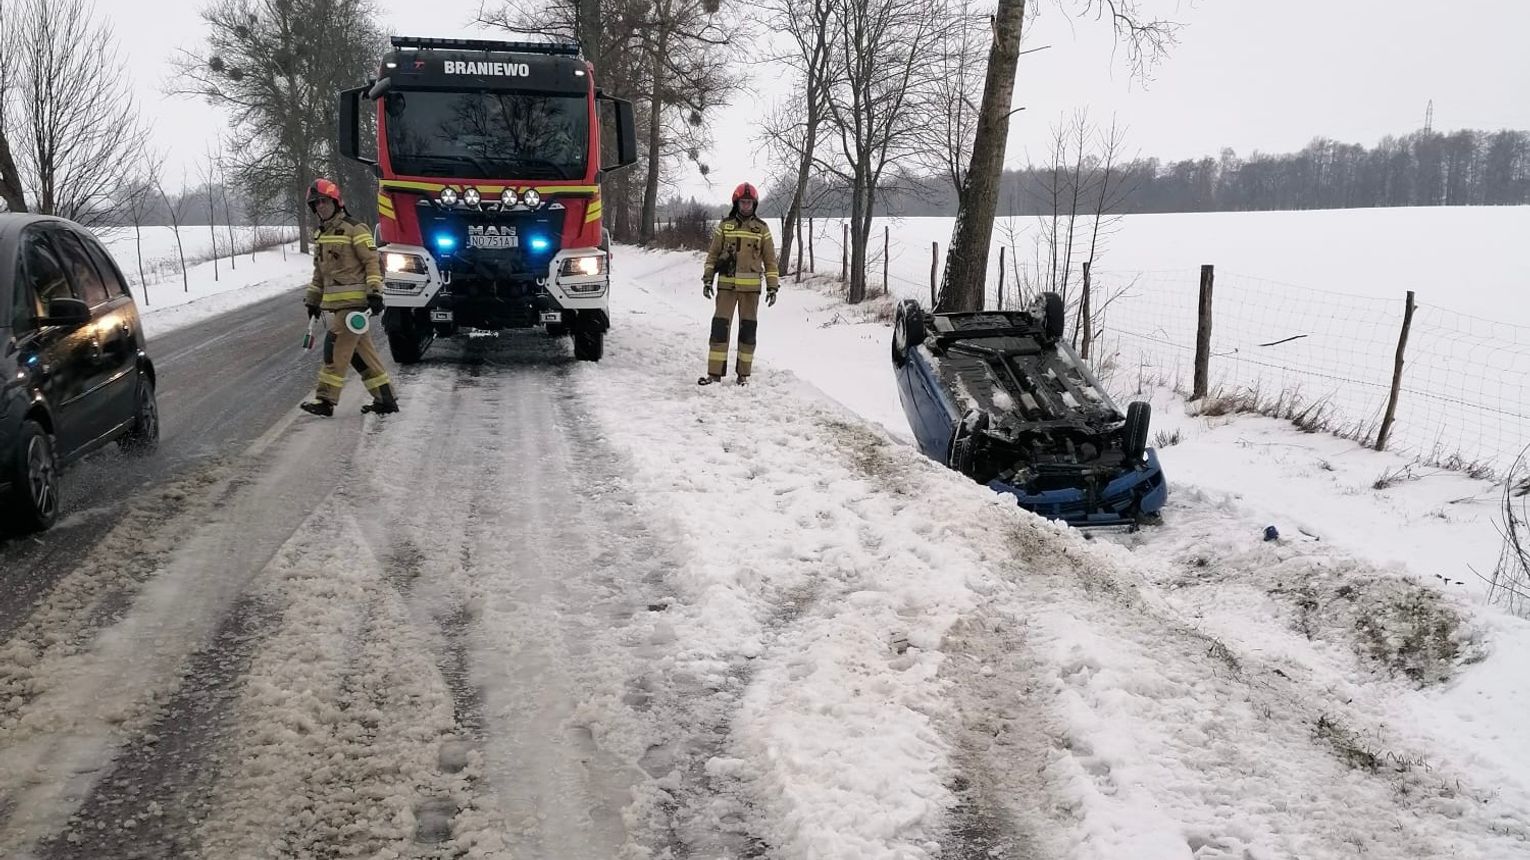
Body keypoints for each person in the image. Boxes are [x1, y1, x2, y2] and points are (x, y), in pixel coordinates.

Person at [298, 178, 399, 417]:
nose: (320, 206)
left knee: (334, 350)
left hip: (353, 308)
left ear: (336, 201)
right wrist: (313, 301)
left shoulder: (356, 229)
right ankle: (385, 399)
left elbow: (372, 262)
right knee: (362, 354)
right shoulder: (321, 235)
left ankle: (325, 400)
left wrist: (375, 293)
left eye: (323, 201)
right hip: (339, 308)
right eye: (316, 203)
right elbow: (319, 274)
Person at [699, 182, 779, 385]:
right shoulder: (725, 226)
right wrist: (708, 279)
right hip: (726, 287)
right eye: (742, 202)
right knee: (719, 330)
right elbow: (712, 255)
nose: (746, 206)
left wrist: (772, 286)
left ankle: (743, 375)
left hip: (751, 291)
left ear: (754, 203)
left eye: (749, 202)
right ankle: (714, 374)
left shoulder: (762, 228)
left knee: (748, 332)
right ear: (737, 202)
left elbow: (770, 260)